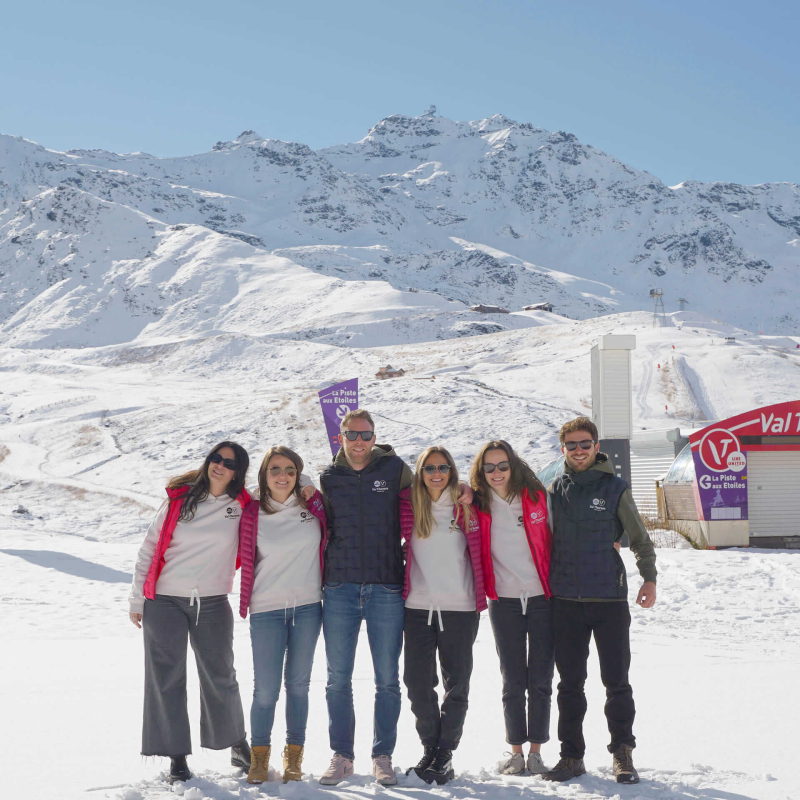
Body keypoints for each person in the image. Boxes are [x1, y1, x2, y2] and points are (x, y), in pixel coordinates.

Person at [317, 409, 471, 786]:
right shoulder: (328, 478)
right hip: (339, 587)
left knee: (388, 679)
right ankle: (342, 755)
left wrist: (464, 485)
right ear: (341, 438)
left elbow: (432, 483)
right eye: (352, 435)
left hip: (387, 586)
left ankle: (382, 754)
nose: (359, 442)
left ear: (374, 437)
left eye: (366, 435)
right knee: (338, 678)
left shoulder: (394, 469)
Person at [128, 441, 252, 785]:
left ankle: (237, 742)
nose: (220, 465)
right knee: (166, 679)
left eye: (228, 463)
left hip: (212, 602)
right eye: (216, 458)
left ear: (237, 472)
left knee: (221, 674)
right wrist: (137, 599)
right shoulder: (179, 500)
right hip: (164, 601)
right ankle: (177, 757)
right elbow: (149, 548)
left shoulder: (242, 505)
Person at [542, 417, 657, 785]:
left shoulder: (615, 488)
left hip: (609, 599)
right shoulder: (553, 490)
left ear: (596, 446)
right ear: (563, 449)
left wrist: (649, 578)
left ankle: (622, 753)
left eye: (585, 444)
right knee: (569, 684)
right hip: (565, 601)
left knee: (616, 682)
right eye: (571, 445)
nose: (578, 450)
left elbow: (639, 538)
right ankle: (571, 756)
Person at [237, 446, 327, 785]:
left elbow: (332, 526)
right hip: (266, 609)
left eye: (290, 469)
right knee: (266, 690)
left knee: (299, 686)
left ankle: (294, 756)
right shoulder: (252, 511)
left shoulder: (313, 506)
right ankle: (259, 757)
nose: (282, 476)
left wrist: (306, 484)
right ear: (264, 474)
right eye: (275, 469)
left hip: (307, 607)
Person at [399, 446, 485, 785]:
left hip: (460, 607)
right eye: (430, 468)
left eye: (443, 467)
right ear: (420, 472)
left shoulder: (467, 504)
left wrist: (470, 491)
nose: (437, 473)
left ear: (452, 471)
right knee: (418, 683)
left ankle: (445, 752)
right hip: (418, 607)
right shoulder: (407, 504)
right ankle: (430, 748)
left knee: (456, 683)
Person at [470, 440, 554, 777]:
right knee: (512, 677)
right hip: (502, 600)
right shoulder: (478, 504)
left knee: (541, 676)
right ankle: (516, 751)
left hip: (542, 598)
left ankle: (536, 752)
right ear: (481, 471)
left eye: (502, 465)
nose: (496, 473)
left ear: (512, 465)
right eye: (489, 467)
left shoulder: (536, 497)